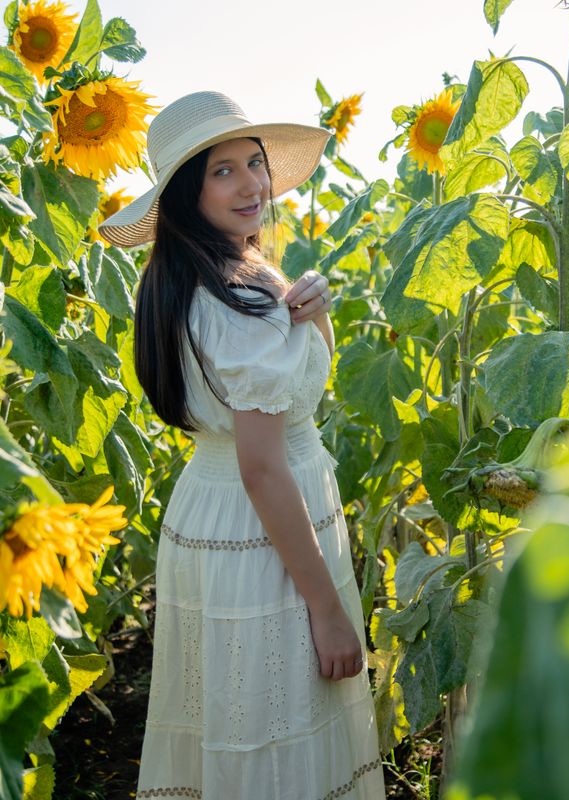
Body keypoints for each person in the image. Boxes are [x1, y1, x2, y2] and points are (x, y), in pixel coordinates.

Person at [99, 91, 385, 800]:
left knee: (231, 723)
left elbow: (284, 398)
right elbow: (264, 466)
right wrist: (326, 608)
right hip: (269, 530)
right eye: (222, 171)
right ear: (187, 194)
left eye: (254, 163)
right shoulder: (242, 298)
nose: (252, 183)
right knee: (281, 734)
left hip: (212, 513)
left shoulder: (178, 282)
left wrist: (312, 316)